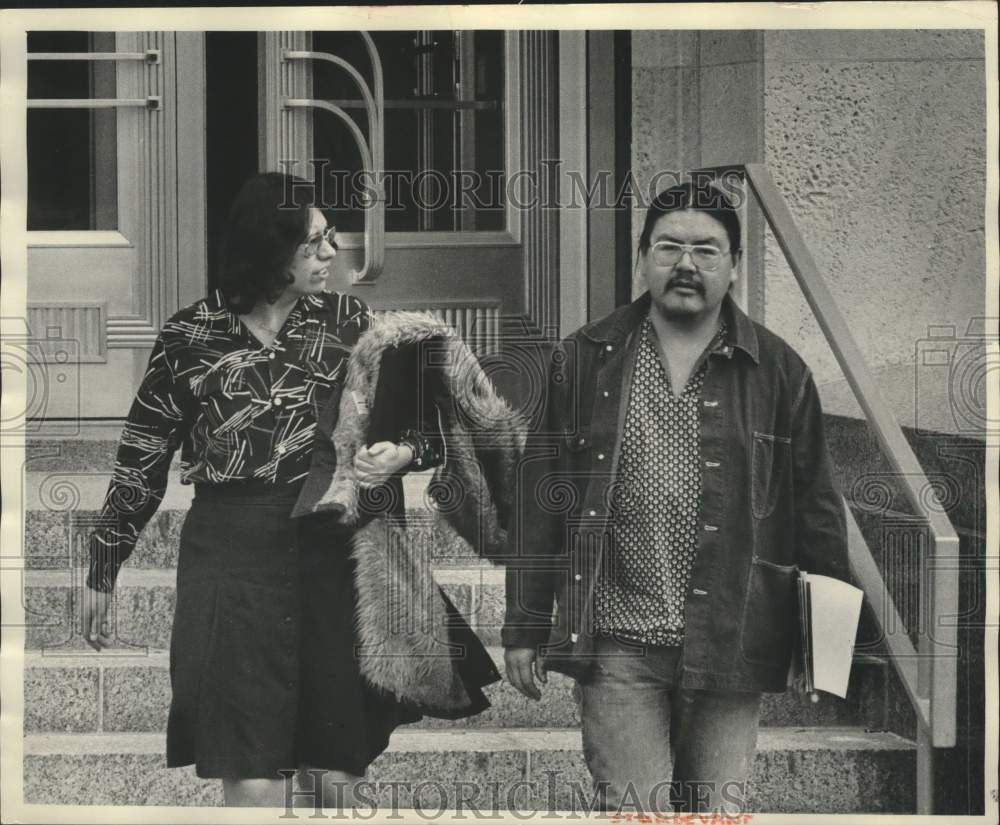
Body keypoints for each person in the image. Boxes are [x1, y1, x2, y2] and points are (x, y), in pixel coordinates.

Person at [82, 172, 445, 807]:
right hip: (232, 554)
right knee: (251, 769)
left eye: (330, 238)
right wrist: (103, 565)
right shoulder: (190, 336)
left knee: (338, 773)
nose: (332, 254)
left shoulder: (352, 322)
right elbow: (142, 459)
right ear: (268, 248)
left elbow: (428, 426)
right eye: (314, 242)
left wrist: (400, 453)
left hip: (335, 550)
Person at [501, 180, 850, 815]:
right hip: (617, 642)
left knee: (716, 813)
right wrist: (525, 625)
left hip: (731, 637)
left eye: (707, 250)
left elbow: (816, 508)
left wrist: (831, 645)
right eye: (669, 247)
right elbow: (539, 500)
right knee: (639, 813)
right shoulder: (583, 358)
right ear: (641, 259)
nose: (686, 264)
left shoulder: (777, 370)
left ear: (735, 267)